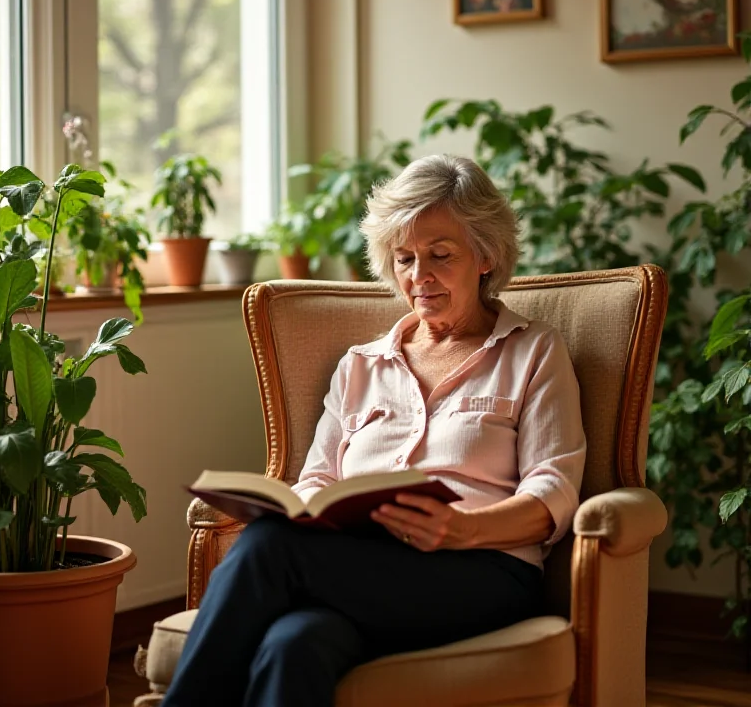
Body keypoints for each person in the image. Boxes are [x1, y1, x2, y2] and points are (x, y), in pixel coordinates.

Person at [163, 154, 587, 707]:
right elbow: (316, 477)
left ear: (486, 256)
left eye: (440, 255)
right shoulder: (359, 365)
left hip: (482, 572)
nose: (419, 276)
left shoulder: (534, 351)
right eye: (405, 258)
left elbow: (553, 491)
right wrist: (310, 513)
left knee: (269, 549)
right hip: (362, 570)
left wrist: (464, 529)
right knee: (295, 643)